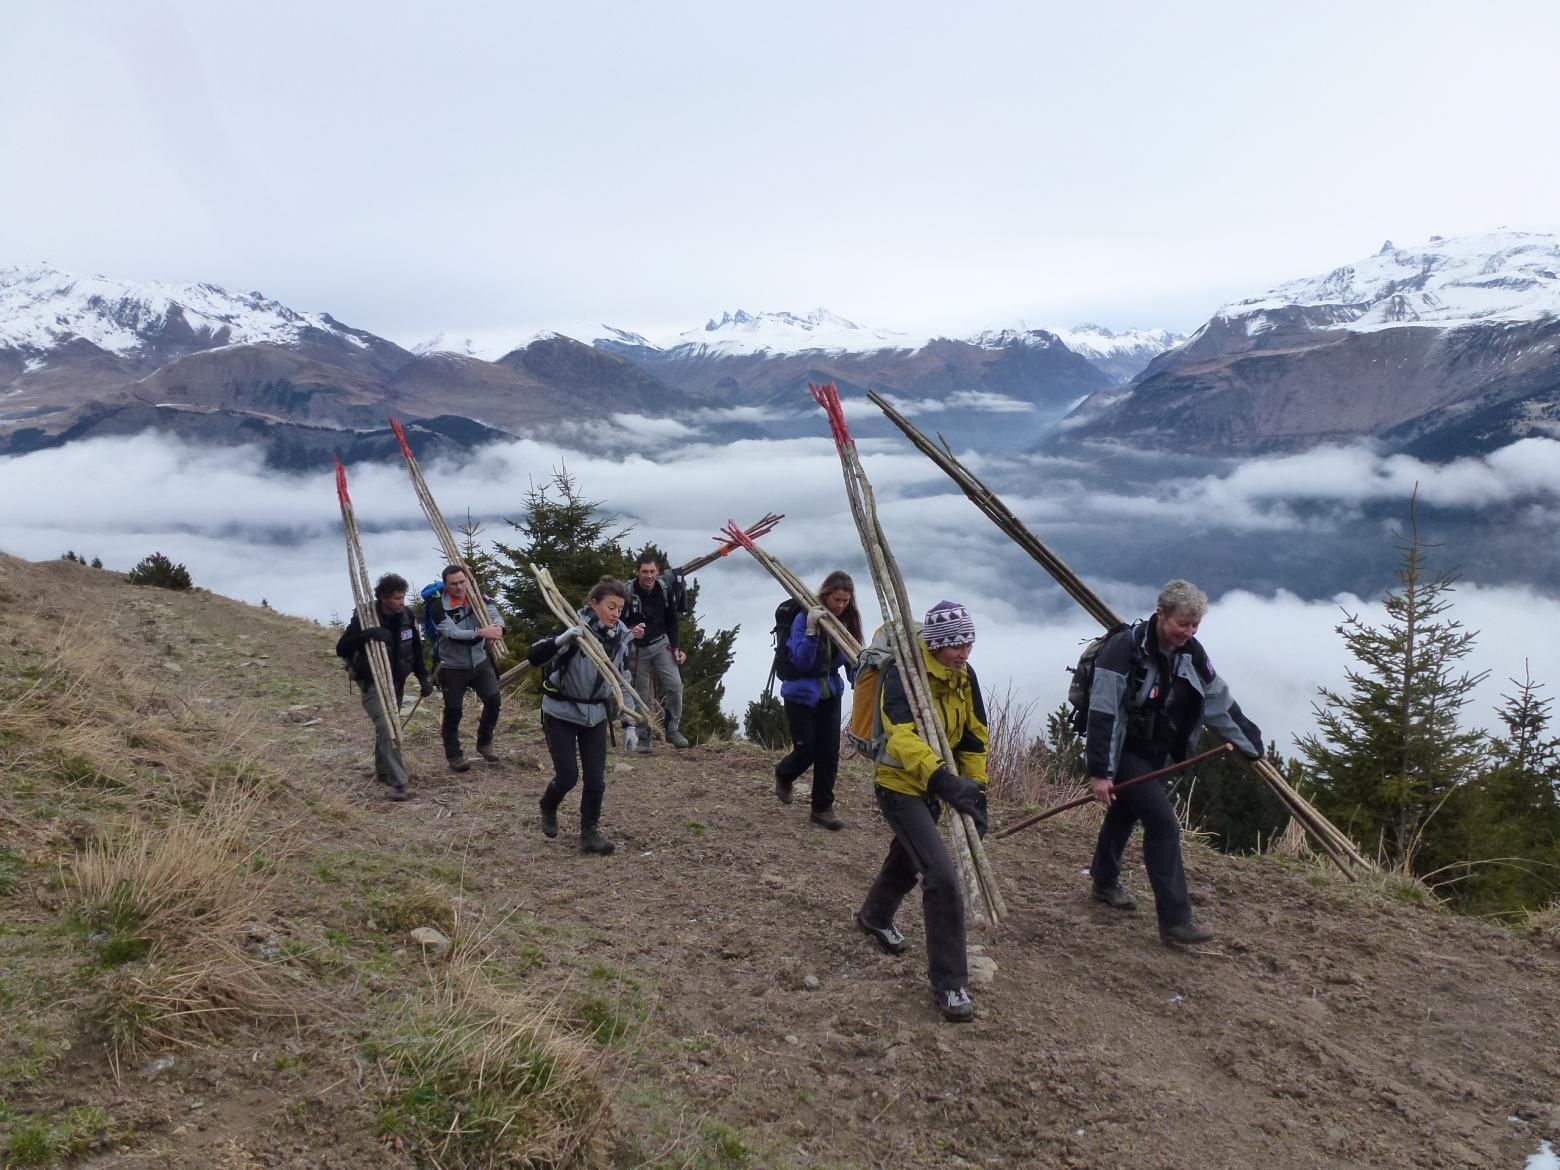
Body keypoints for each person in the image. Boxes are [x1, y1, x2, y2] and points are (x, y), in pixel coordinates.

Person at [1084, 579, 1264, 945]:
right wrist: (1101, 772)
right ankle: (1176, 921)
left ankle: (1103, 882)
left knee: (1125, 811)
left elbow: (1217, 700)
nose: (1189, 632)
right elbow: (1103, 714)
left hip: (1158, 752)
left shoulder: (1192, 652)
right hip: (1123, 752)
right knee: (1164, 825)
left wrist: (1251, 743)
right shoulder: (1122, 651)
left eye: (1195, 625)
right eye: (1183, 623)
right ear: (1161, 613)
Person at [855, 600, 990, 1023]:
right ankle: (950, 984)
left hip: (936, 786)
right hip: (900, 787)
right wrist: (943, 782)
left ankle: (874, 916)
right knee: (942, 876)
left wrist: (976, 789)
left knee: (909, 858)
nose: (963, 653)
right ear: (934, 645)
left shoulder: (964, 678)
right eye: (955, 646)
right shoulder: (904, 677)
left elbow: (973, 737)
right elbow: (901, 737)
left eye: (968, 643)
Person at [529, 577, 644, 855]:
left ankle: (589, 834)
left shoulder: (620, 640)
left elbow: (622, 680)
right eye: (611, 607)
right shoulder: (574, 630)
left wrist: (629, 723)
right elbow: (535, 656)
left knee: (595, 779)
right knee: (568, 776)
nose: (616, 614)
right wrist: (562, 639)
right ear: (594, 604)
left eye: (620, 609)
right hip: (561, 711)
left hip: (595, 715)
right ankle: (548, 805)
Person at [774, 570, 863, 830]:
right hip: (800, 693)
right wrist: (812, 631)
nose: (841, 605)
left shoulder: (847, 622)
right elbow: (801, 661)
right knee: (807, 750)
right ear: (826, 596)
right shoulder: (804, 618)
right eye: (836, 600)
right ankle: (784, 773)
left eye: (845, 601)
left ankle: (822, 808)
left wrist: (858, 679)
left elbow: (852, 656)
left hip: (830, 692)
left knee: (828, 753)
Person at [334, 572, 433, 801]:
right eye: (397, 598)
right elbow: (342, 648)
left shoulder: (407, 615)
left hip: (396, 683)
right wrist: (367, 635)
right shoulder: (366, 617)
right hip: (372, 682)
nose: (402, 602)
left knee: (388, 728)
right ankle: (399, 782)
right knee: (389, 728)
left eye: (403, 597)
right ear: (384, 598)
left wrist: (423, 679)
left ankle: (383, 772)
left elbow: (416, 650)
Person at [427, 563, 506, 772]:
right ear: (445, 585)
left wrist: (498, 629)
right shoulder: (437, 607)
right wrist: (482, 633)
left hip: (479, 661)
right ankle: (454, 755)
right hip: (451, 666)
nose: (459, 587)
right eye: (454, 584)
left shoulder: (479, 598)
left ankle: (485, 743)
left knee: (493, 699)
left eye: (462, 582)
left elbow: (494, 614)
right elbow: (451, 633)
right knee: (454, 710)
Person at [624, 553, 688, 750]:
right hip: (637, 649)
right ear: (637, 572)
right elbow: (617, 620)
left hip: (661, 644)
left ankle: (672, 730)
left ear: (658, 572)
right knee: (641, 695)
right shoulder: (627, 593)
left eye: (652, 571)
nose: (649, 576)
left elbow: (672, 621)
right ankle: (644, 739)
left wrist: (676, 647)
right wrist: (630, 631)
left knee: (675, 686)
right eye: (644, 572)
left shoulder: (664, 589)